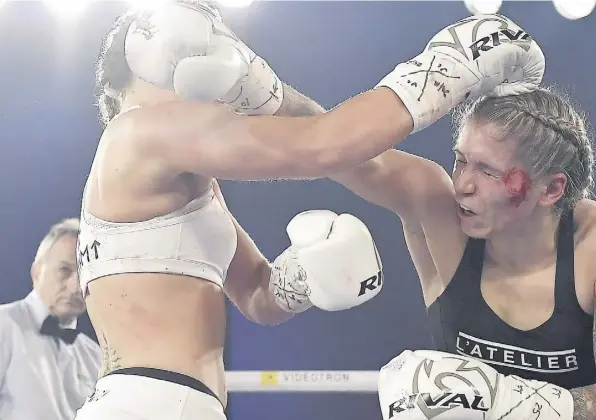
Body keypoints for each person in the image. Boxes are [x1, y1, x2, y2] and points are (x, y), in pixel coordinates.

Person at [73, 1, 543, 419]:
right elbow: (324, 146)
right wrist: (446, 67)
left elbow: (257, 295)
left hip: (170, 402)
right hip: (151, 404)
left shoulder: (173, 179)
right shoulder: (139, 132)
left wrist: (302, 277)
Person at [328, 88, 596, 419]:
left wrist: (499, 403)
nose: (463, 184)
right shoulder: (437, 211)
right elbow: (328, 147)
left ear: (552, 188)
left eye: (488, 171)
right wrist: (271, 94)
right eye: (461, 160)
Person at [0, 218, 101, 420]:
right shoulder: (3, 325)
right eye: (65, 270)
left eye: (85, 275)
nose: (76, 287)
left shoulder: (95, 355)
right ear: (37, 272)